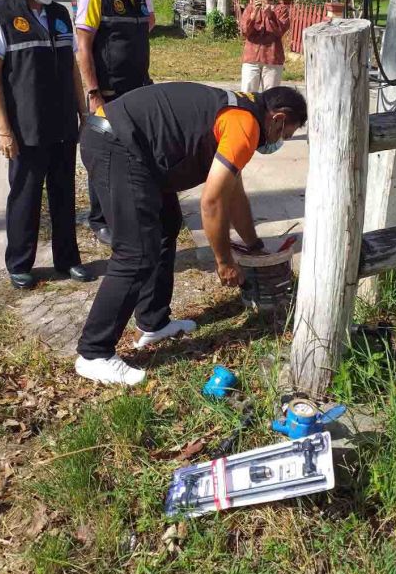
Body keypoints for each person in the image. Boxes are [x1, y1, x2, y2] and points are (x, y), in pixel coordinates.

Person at [75, 82, 307, 385]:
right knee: (136, 252)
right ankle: (94, 353)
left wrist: (253, 245)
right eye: (284, 134)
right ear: (277, 118)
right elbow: (212, 202)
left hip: (135, 146)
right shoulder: (245, 125)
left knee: (166, 227)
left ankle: (153, 322)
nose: (279, 142)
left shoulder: (243, 112)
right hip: (117, 143)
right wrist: (224, 261)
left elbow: (233, 195)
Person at [0, 0, 92, 290]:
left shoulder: (59, 15)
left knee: (64, 193)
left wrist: (83, 112)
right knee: (25, 197)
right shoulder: (1, 14)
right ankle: (19, 263)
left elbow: (72, 68)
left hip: (62, 124)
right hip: (25, 127)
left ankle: (67, 259)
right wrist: (3, 129)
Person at [75, 0, 156, 245]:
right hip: (107, 93)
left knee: (134, 153)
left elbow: (149, 23)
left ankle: (128, 211)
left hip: (138, 90)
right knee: (104, 156)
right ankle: (100, 219)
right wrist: (93, 92)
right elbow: (83, 46)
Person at [240, 0, 291, 93]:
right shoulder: (250, 8)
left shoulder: (281, 10)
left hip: (272, 59)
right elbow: (244, 31)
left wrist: (270, 14)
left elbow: (280, 31)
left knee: (271, 96)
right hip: (252, 58)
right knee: (248, 95)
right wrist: (254, 13)